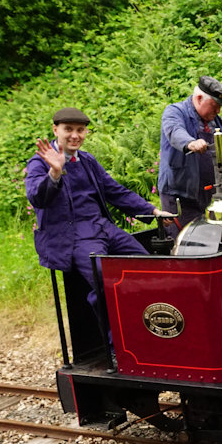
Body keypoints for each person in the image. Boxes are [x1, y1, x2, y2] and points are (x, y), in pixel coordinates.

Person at [25, 107, 172, 324]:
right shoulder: (39, 163)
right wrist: (54, 173)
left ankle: (148, 331)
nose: (75, 135)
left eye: (80, 130)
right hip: (75, 237)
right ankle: (114, 346)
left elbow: (114, 190)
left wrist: (152, 211)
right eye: (69, 129)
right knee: (107, 284)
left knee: (147, 267)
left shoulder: (87, 161)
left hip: (103, 228)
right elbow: (37, 197)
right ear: (56, 130)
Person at [158, 75, 222, 233]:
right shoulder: (175, 112)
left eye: (220, 107)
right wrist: (190, 143)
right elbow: (174, 131)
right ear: (199, 98)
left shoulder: (215, 121)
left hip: (208, 194)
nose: (218, 110)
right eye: (214, 105)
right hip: (180, 195)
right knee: (185, 241)